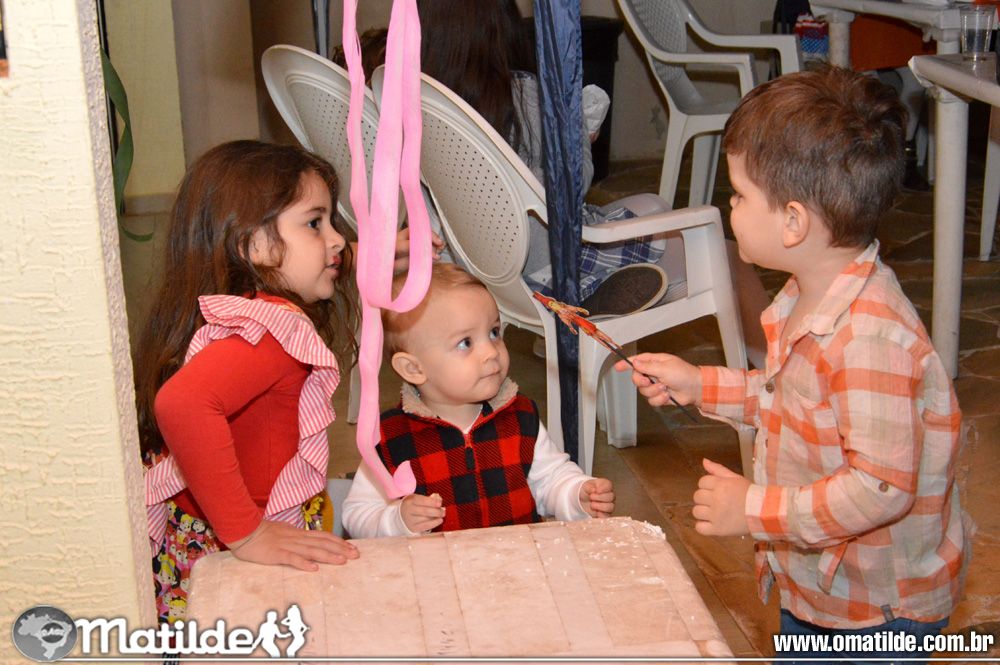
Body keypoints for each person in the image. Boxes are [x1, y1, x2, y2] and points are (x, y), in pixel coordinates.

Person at [617, 67, 969, 664]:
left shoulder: (869, 339)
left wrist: (752, 509)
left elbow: (880, 489)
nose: (730, 206)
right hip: (821, 585)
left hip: (877, 613)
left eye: (738, 194)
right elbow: (790, 399)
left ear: (793, 221)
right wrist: (699, 385)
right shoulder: (809, 291)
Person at [417, 0, 769, 365]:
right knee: (724, 254)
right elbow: (569, 187)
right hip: (556, 266)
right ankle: (775, 376)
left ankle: (573, 330)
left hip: (489, 276)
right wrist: (582, 137)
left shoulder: (415, 105)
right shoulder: (523, 94)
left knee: (655, 206)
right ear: (502, 27)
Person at [135, 141, 370, 623]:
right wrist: (247, 532)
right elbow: (182, 403)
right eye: (315, 223)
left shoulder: (233, 305)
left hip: (203, 524)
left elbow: (303, 255)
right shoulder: (272, 332)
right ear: (254, 245)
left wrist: (378, 256)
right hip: (239, 543)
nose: (337, 240)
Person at [342, 263, 616, 537]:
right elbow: (357, 515)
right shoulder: (389, 438)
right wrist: (397, 520)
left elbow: (550, 479)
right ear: (413, 368)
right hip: (438, 564)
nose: (491, 352)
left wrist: (576, 495)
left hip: (517, 557)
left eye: (494, 332)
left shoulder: (519, 416)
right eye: (466, 343)